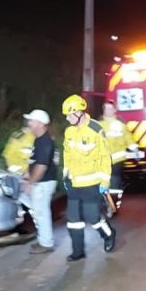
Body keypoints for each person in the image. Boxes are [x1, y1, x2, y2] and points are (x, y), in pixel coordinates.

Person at [61, 94, 116, 262]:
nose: (68, 118)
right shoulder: (69, 131)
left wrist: (105, 181)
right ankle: (78, 251)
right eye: (67, 116)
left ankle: (109, 234)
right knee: (73, 220)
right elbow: (67, 154)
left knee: (92, 217)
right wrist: (66, 176)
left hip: (92, 183)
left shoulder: (95, 129)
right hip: (74, 183)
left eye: (70, 115)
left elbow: (105, 157)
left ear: (80, 112)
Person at [21, 109, 58, 254]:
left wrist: (30, 181)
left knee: (41, 212)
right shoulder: (40, 140)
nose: (29, 123)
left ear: (40, 124)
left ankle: (46, 243)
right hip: (41, 182)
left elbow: (42, 166)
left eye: (31, 121)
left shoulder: (45, 142)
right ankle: (44, 240)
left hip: (43, 182)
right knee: (39, 211)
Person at [99, 98, 138, 215]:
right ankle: (108, 202)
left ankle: (113, 204)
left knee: (114, 183)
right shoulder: (98, 125)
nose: (108, 111)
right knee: (104, 182)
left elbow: (128, 137)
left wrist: (134, 149)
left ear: (115, 110)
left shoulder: (120, 124)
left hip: (117, 159)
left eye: (110, 109)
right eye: (106, 109)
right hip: (103, 159)